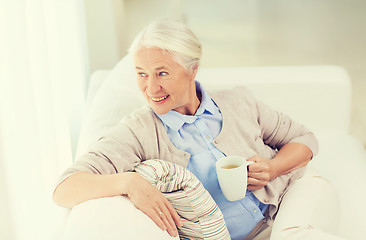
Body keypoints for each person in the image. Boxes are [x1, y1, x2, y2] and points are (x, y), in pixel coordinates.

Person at [53, 18, 344, 240]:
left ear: (192, 69)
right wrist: (129, 183)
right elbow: (65, 188)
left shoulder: (238, 102)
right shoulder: (138, 131)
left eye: (162, 73)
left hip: (288, 203)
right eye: (141, 74)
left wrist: (273, 167)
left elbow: (304, 140)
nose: (150, 88)